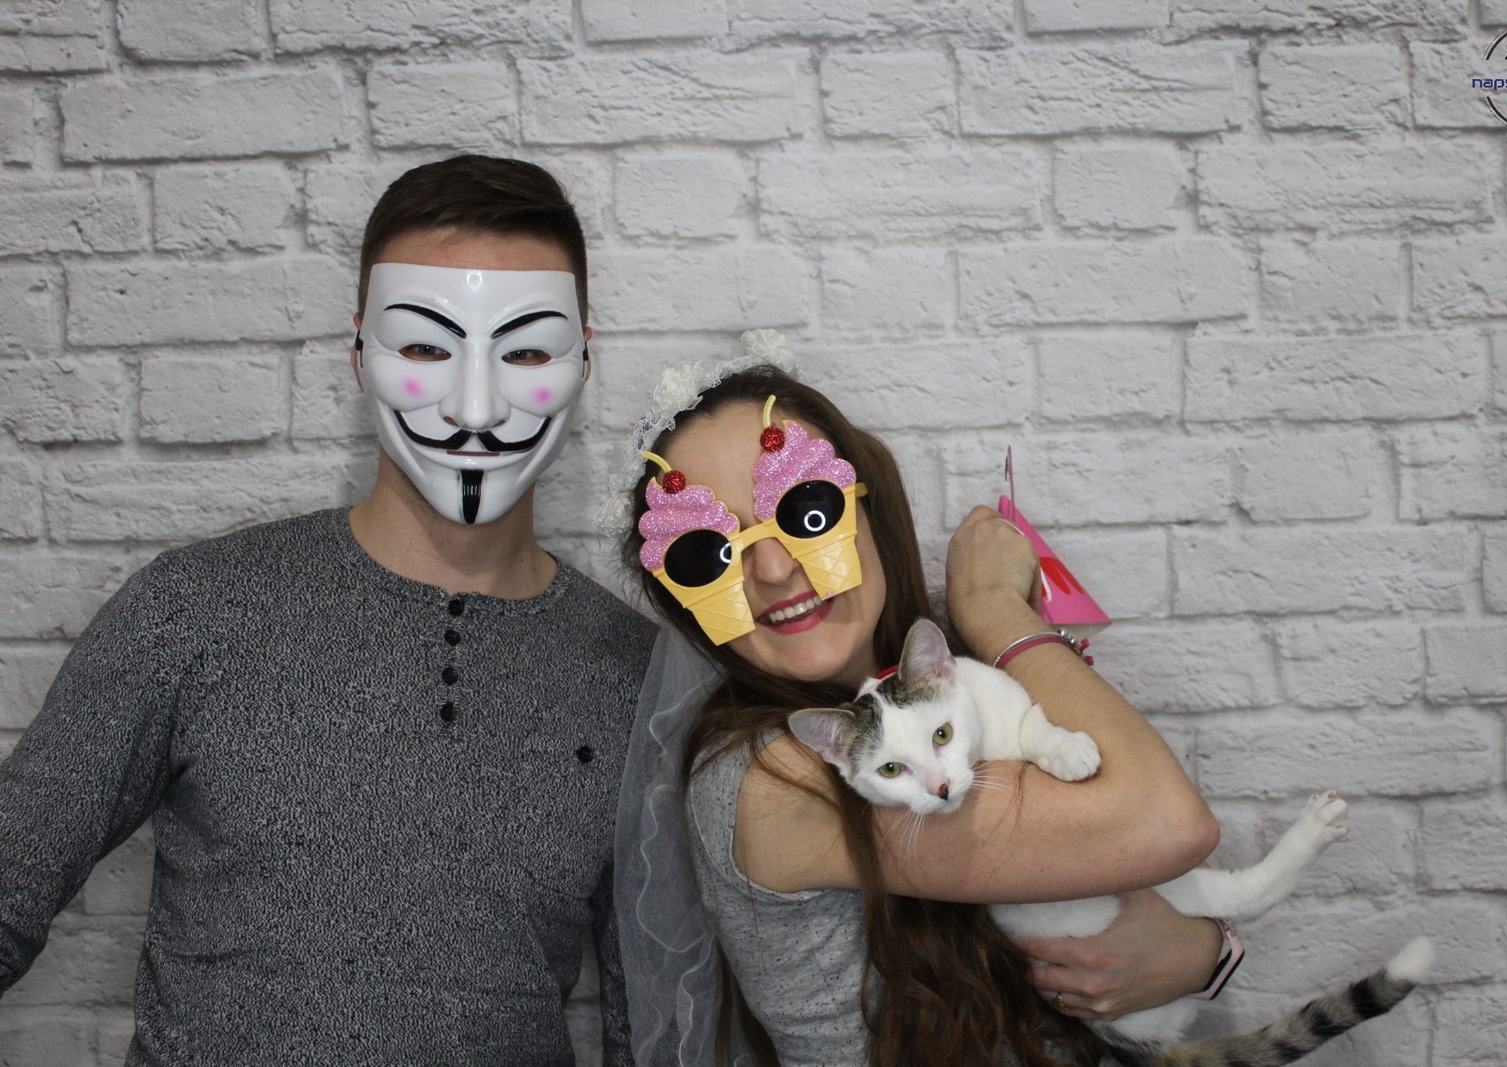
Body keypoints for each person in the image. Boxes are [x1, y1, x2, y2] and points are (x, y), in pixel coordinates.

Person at [0, 155, 654, 1065]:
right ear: (359, 353)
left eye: (526, 351)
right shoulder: (195, 611)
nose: (474, 406)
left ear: (582, 359)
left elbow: (651, 1025)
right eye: (424, 347)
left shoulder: (633, 678)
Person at [607, 346, 1225, 1067]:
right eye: (706, 555)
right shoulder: (770, 779)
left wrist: (1203, 952)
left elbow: (1139, 860)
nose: (772, 569)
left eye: (806, 511)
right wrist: (995, 607)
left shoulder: (936, 671)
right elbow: (1168, 822)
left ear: (870, 505)